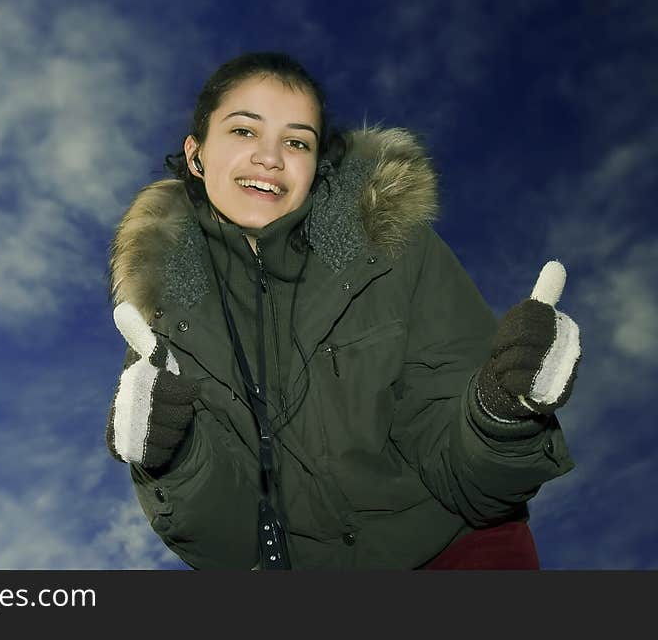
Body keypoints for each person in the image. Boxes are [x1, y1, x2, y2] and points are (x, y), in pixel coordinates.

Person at [105, 52, 580, 570]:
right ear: (196, 154)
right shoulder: (163, 318)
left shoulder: (392, 249)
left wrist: (503, 408)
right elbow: (228, 548)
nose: (270, 157)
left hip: (459, 553)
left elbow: (474, 481)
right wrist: (171, 458)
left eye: (296, 141)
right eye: (244, 132)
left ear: (315, 163)